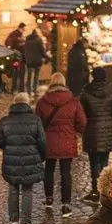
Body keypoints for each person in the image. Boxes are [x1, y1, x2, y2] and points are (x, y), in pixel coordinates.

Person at [35, 72, 86, 216]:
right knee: (65, 173)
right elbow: (82, 122)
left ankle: (49, 199)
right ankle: (65, 204)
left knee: (49, 170)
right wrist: (75, 132)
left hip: (49, 141)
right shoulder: (73, 101)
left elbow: (37, 123)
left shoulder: (42, 102)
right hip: (67, 141)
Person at [0, 94, 46, 224]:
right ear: (27, 104)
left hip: (11, 162)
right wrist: (40, 157)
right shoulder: (35, 120)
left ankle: (12, 222)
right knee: (27, 191)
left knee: (13, 190)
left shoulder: (5, 121)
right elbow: (42, 142)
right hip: (30, 161)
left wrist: (9, 148)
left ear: (14, 103)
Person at [81, 67, 112, 203]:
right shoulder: (111, 90)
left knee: (94, 164)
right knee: (104, 162)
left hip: (92, 132)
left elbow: (82, 114)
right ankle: (105, 191)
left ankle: (96, 191)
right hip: (107, 132)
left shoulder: (86, 92)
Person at [24, 25, 48, 97]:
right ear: (37, 33)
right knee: (36, 76)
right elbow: (42, 51)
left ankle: (28, 91)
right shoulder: (38, 40)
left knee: (29, 75)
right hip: (37, 61)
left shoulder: (27, 39)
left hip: (29, 60)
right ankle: (35, 90)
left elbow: (25, 50)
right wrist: (47, 57)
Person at [6, 24, 26, 95]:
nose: (24, 31)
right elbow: (9, 43)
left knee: (18, 74)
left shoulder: (17, 35)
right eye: (23, 29)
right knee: (17, 74)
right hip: (17, 58)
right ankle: (17, 89)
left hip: (18, 58)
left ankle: (17, 89)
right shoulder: (15, 35)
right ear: (21, 28)